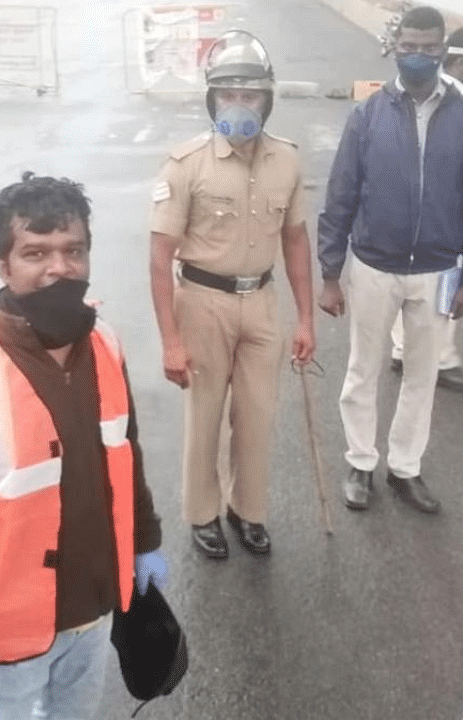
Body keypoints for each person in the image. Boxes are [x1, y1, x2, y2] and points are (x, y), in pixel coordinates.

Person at [0, 173, 165, 720]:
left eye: (74, 251)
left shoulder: (104, 344)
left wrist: (146, 539)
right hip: (6, 645)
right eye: (35, 253)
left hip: (93, 613)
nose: (58, 268)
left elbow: (126, 456)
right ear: (2, 266)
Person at [318, 6, 463, 514]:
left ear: (443, 50)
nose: (418, 56)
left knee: (423, 377)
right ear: (396, 47)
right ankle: (360, 462)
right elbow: (341, 195)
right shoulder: (368, 115)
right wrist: (332, 272)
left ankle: (405, 468)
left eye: (428, 48)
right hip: (373, 266)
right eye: (409, 46)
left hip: (437, 270)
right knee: (362, 371)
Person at [149, 30, 315, 558]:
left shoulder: (286, 161)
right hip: (202, 301)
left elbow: (294, 239)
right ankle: (202, 514)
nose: (238, 105)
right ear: (212, 99)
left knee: (257, 414)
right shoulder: (186, 164)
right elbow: (158, 256)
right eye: (227, 95)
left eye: (249, 95)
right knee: (205, 416)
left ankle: (249, 511)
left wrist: (306, 320)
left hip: (261, 305)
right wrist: (171, 341)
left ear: (267, 100)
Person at [389, 25, 463, 391]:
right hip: (445, 223)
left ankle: (403, 349)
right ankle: (440, 358)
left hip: (410, 225)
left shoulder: (426, 92)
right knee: (443, 292)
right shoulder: (459, 98)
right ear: (460, 60)